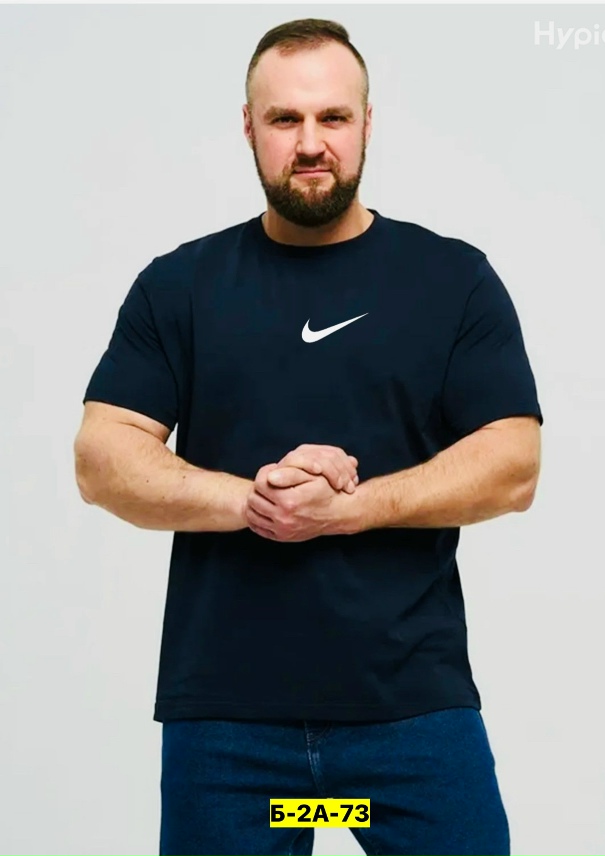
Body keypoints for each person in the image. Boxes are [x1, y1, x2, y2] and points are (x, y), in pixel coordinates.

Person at [74, 17, 543, 856]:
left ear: (368, 123)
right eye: (285, 119)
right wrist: (257, 501)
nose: (311, 142)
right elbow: (102, 459)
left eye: (333, 117)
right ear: (248, 127)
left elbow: (513, 464)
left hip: (411, 716)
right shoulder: (180, 286)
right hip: (228, 726)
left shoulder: (452, 280)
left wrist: (350, 508)